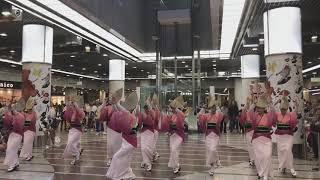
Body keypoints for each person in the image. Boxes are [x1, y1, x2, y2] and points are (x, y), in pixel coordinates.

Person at [106, 92, 138, 180]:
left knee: (117, 157)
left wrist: (116, 103)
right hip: (127, 140)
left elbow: (124, 111)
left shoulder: (132, 117)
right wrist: (114, 103)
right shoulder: (127, 115)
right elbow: (119, 110)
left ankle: (117, 175)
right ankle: (127, 174)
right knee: (125, 159)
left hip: (130, 142)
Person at [248, 95, 276, 180]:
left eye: (260, 108)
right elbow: (250, 111)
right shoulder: (255, 116)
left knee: (267, 156)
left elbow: (273, 111)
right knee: (258, 157)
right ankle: (261, 172)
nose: (258, 109)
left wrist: (269, 102)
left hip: (267, 139)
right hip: (257, 139)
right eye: (258, 107)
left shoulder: (269, 116)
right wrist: (254, 102)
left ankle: (265, 175)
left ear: (264, 108)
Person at [198, 96, 223, 176]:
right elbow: (199, 116)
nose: (213, 109)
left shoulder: (218, 115)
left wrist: (216, 103)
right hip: (208, 136)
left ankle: (215, 163)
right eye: (212, 108)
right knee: (210, 151)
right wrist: (203, 108)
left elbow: (222, 115)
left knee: (213, 149)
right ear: (209, 108)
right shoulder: (206, 115)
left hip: (215, 136)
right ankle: (213, 165)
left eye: (214, 107)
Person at [160, 96, 185, 174]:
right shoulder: (170, 115)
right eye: (171, 108)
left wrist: (176, 108)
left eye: (173, 108)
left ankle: (175, 166)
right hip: (172, 135)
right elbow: (166, 124)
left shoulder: (180, 114)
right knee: (173, 151)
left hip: (179, 135)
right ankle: (176, 165)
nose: (172, 109)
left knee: (174, 150)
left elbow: (181, 123)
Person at [275, 97, 298, 177]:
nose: (283, 111)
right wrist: (272, 103)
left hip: (288, 136)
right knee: (281, 151)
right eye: (281, 109)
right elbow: (270, 112)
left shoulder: (290, 115)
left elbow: (295, 112)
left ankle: (291, 168)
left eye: (284, 109)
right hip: (279, 137)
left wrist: (296, 104)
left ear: (287, 109)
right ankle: (283, 166)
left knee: (288, 150)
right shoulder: (277, 114)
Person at [99, 88, 123, 167]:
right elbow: (100, 115)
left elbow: (123, 114)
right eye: (111, 96)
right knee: (110, 144)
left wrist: (116, 105)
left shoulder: (120, 106)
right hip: (110, 128)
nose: (112, 97)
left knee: (118, 144)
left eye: (113, 96)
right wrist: (103, 104)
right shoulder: (107, 107)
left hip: (119, 129)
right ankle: (110, 158)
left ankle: (117, 158)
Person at [3, 101, 25, 172]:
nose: (13, 109)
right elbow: (7, 124)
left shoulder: (21, 115)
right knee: (12, 149)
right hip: (12, 134)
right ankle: (15, 163)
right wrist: (7, 110)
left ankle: (12, 164)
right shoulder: (11, 115)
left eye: (14, 107)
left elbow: (20, 127)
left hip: (18, 135)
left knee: (10, 149)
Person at [62, 97, 85, 165]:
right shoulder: (68, 111)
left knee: (70, 143)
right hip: (71, 130)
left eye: (72, 104)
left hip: (78, 130)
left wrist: (76, 106)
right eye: (70, 104)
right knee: (71, 144)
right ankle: (76, 155)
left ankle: (76, 154)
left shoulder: (78, 110)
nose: (71, 105)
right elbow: (66, 118)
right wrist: (67, 106)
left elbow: (82, 115)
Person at [137, 103, 155, 171]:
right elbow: (139, 123)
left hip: (150, 132)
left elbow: (153, 121)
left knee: (149, 148)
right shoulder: (142, 114)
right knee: (143, 148)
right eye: (145, 109)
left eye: (147, 108)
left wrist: (151, 111)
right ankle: (145, 161)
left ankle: (148, 162)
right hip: (144, 132)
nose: (146, 110)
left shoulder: (152, 113)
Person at [240, 97, 255, 167]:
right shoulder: (245, 112)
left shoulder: (254, 111)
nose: (249, 104)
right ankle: (252, 159)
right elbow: (242, 121)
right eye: (248, 103)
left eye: (250, 103)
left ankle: (254, 158)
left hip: (255, 131)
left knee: (254, 146)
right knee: (250, 146)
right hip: (248, 131)